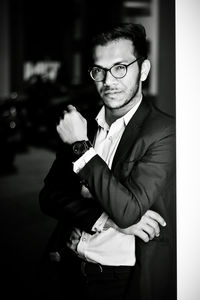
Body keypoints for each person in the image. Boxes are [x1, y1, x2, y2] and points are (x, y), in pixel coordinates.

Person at [39, 23, 176, 300]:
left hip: (119, 279)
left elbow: (128, 211)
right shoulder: (84, 122)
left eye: (120, 67)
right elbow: (50, 197)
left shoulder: (163, 131)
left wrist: (81, 147)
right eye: (99, 70)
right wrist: (107, 219)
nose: (108, 81)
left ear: (144, 70)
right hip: (70, 265)